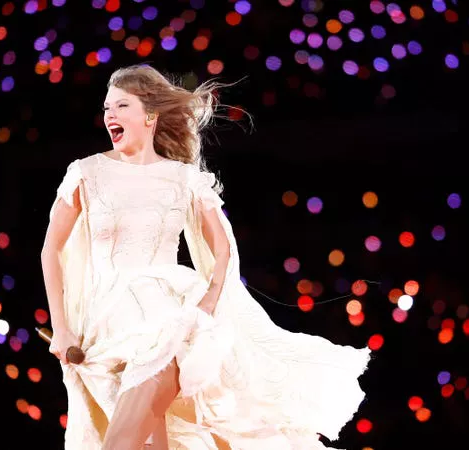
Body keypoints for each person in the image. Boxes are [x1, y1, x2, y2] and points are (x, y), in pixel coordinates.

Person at [40, 64, 371, 450]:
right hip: (105, 327)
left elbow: (223, 248)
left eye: (121, 106)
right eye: (106, 108)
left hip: (167, 319)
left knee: (123, 441)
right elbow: (52, 249)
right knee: (149, 442)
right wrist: (61, 327)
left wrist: (210, 301)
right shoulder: (86, 174)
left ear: (150, 114)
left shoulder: (182, 179)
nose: (109, 115)